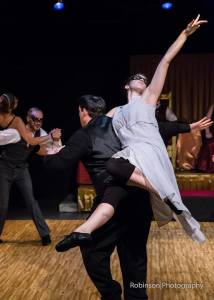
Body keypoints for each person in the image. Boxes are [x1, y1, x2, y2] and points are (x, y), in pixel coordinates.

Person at [61, 15, 208, 244]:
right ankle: (85, 230)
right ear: (126, 85)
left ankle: (160, 191)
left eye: (144, 78)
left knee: (113, 164)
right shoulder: (115, 112)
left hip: (148, 152)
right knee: (112, 184)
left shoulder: (149, 98)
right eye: (137, 77)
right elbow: (92, 130)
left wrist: (185, 34)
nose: (141, 78)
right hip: (131, 158)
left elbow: (166, 60)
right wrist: (64, 148)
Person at [45, 95, 209, 299]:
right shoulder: (123, 125)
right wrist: (188, 127)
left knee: (93, 253)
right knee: (135, 258)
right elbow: (158, 128)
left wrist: (51, 149)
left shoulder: (85, 135)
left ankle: (111, 294)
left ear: (83, 111)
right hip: (140, 200)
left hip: (111, 202)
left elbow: (56, 167)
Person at [0, 94, 61, 245]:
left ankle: (45, 234)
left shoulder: (42, 133)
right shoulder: (15, 131)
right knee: (2, 205)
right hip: (5, 168)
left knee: (31, 201)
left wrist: (56, 139)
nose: (38, 122)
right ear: (28, 118)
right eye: (35, 119)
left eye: (40, 119)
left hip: (21, 169)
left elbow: (47, 150)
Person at [197, 104, 214, 172]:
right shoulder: (213, 106)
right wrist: (207, 131)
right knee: (210, 144)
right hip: (212, 133)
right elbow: (207, 119)